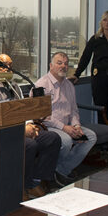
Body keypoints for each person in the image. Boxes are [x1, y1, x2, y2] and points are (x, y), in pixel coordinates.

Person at [0, 54, 61, 198]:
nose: (9, 69)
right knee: (29, 145)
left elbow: (24, 109)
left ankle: (36, 180)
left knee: (52, 138)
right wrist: (22, 131)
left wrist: (30, 125)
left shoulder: (14, 86)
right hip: (2, 134)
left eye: (11, 65)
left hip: (22, 129)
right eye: (4, 66)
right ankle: (21, 186)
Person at [34, 52, 97, 184]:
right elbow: (41, 116)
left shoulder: (69, 85)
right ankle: (56, 171)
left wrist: (77, 126)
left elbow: (73, 110)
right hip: (48, 127)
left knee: (90, 137)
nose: (63, 66)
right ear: (51, 66)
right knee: (67, 141)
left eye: (66, 63)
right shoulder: (42, 85)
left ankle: (61, 169)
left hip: (68, 126)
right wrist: (64, 128)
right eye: (59, 63)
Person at [73, 11, 108, 136]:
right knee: (101, 110)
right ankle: (104, 140)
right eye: (105, 20)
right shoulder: (95, 39)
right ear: (101, 22)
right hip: (99, 79)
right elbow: (85, 58)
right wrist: (77, 74)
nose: (107, 23)